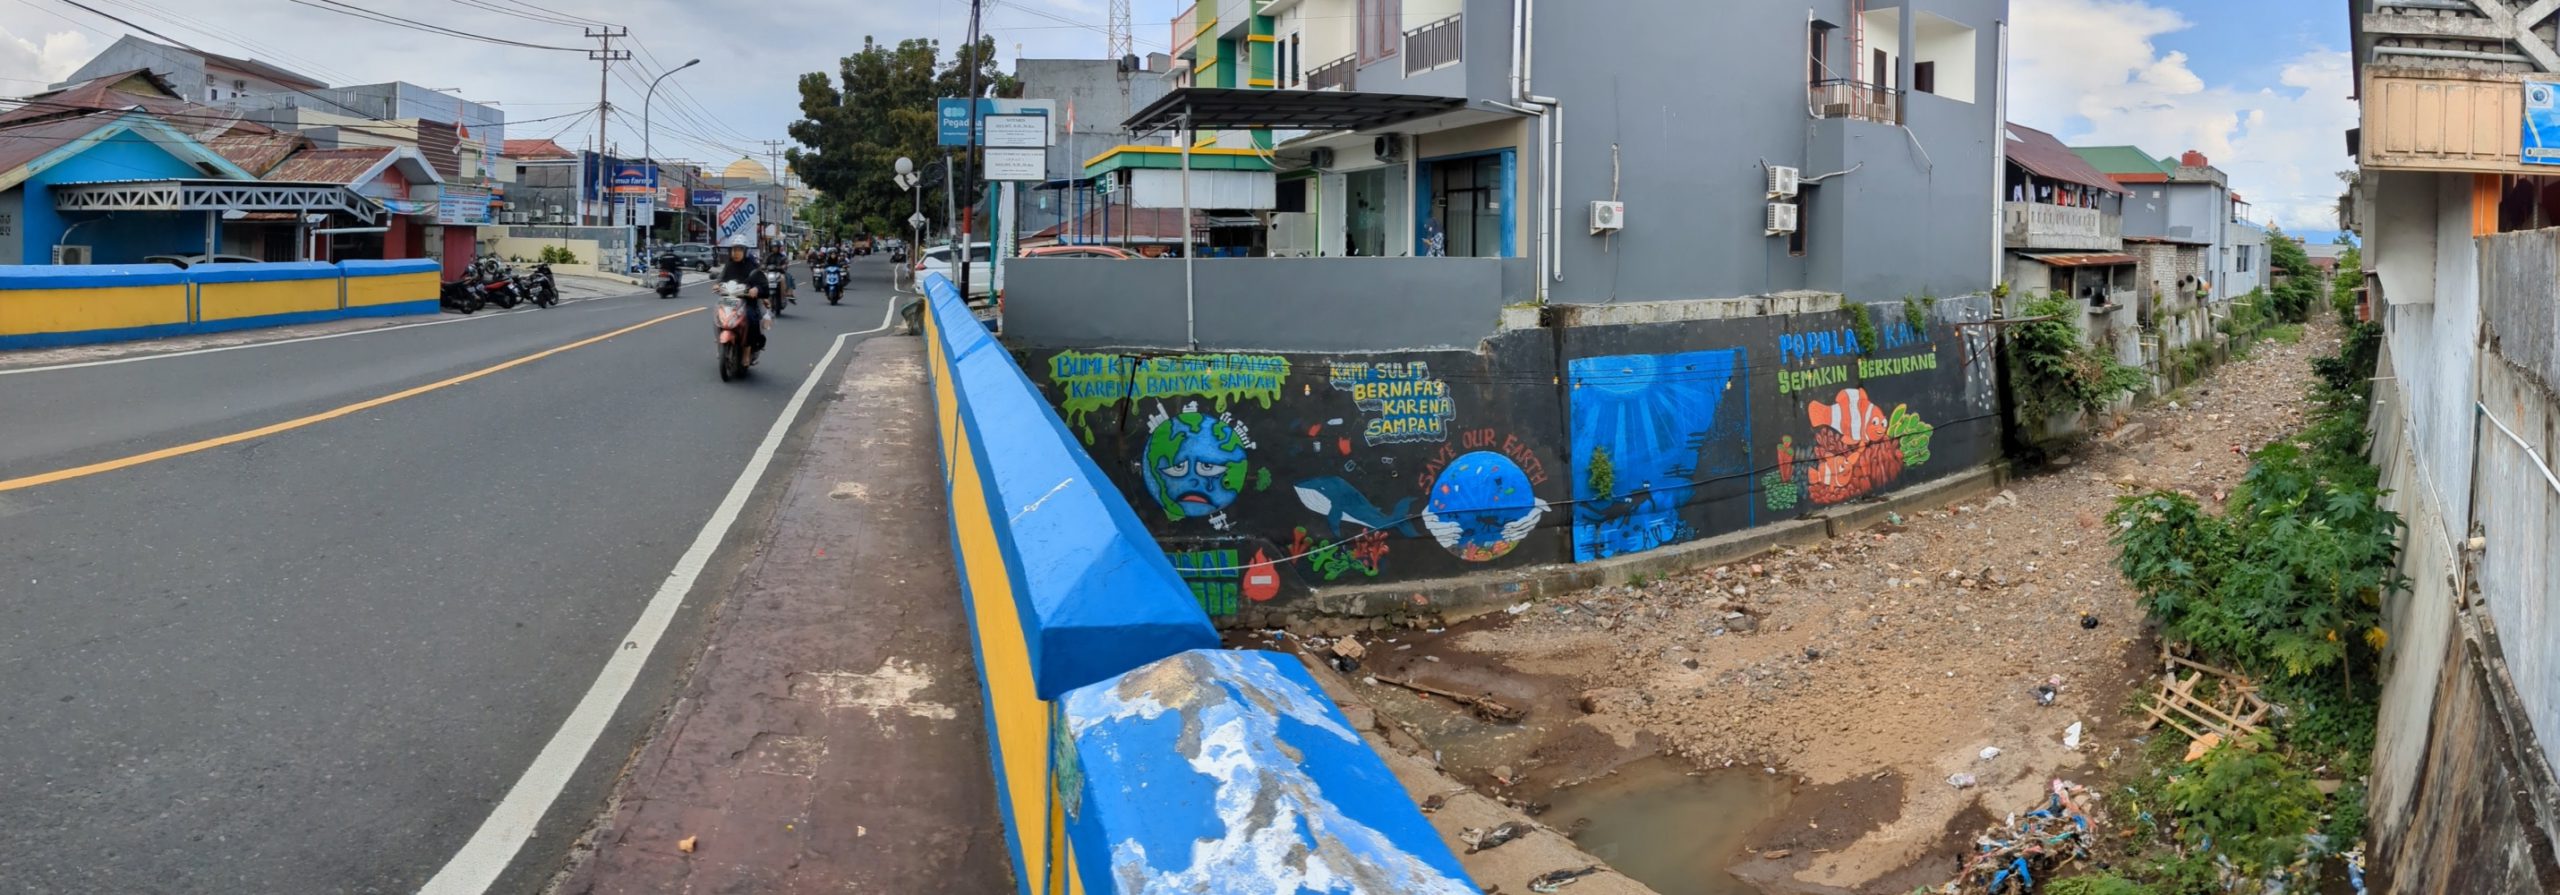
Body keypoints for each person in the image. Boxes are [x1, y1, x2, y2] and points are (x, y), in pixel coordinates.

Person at [716, 242, 765, 363]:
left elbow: (760, 283)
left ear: (745, 251)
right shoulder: (729, 265)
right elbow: (721, 278)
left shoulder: (752, 266)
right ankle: (719, 343)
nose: (735, 253)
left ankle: (747, 351)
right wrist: (717, 285)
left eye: (739, 250)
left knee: (751, 318)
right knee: (719, 314)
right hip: (730, 299)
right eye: (733, 250)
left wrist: (755, 289)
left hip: (747, 301)